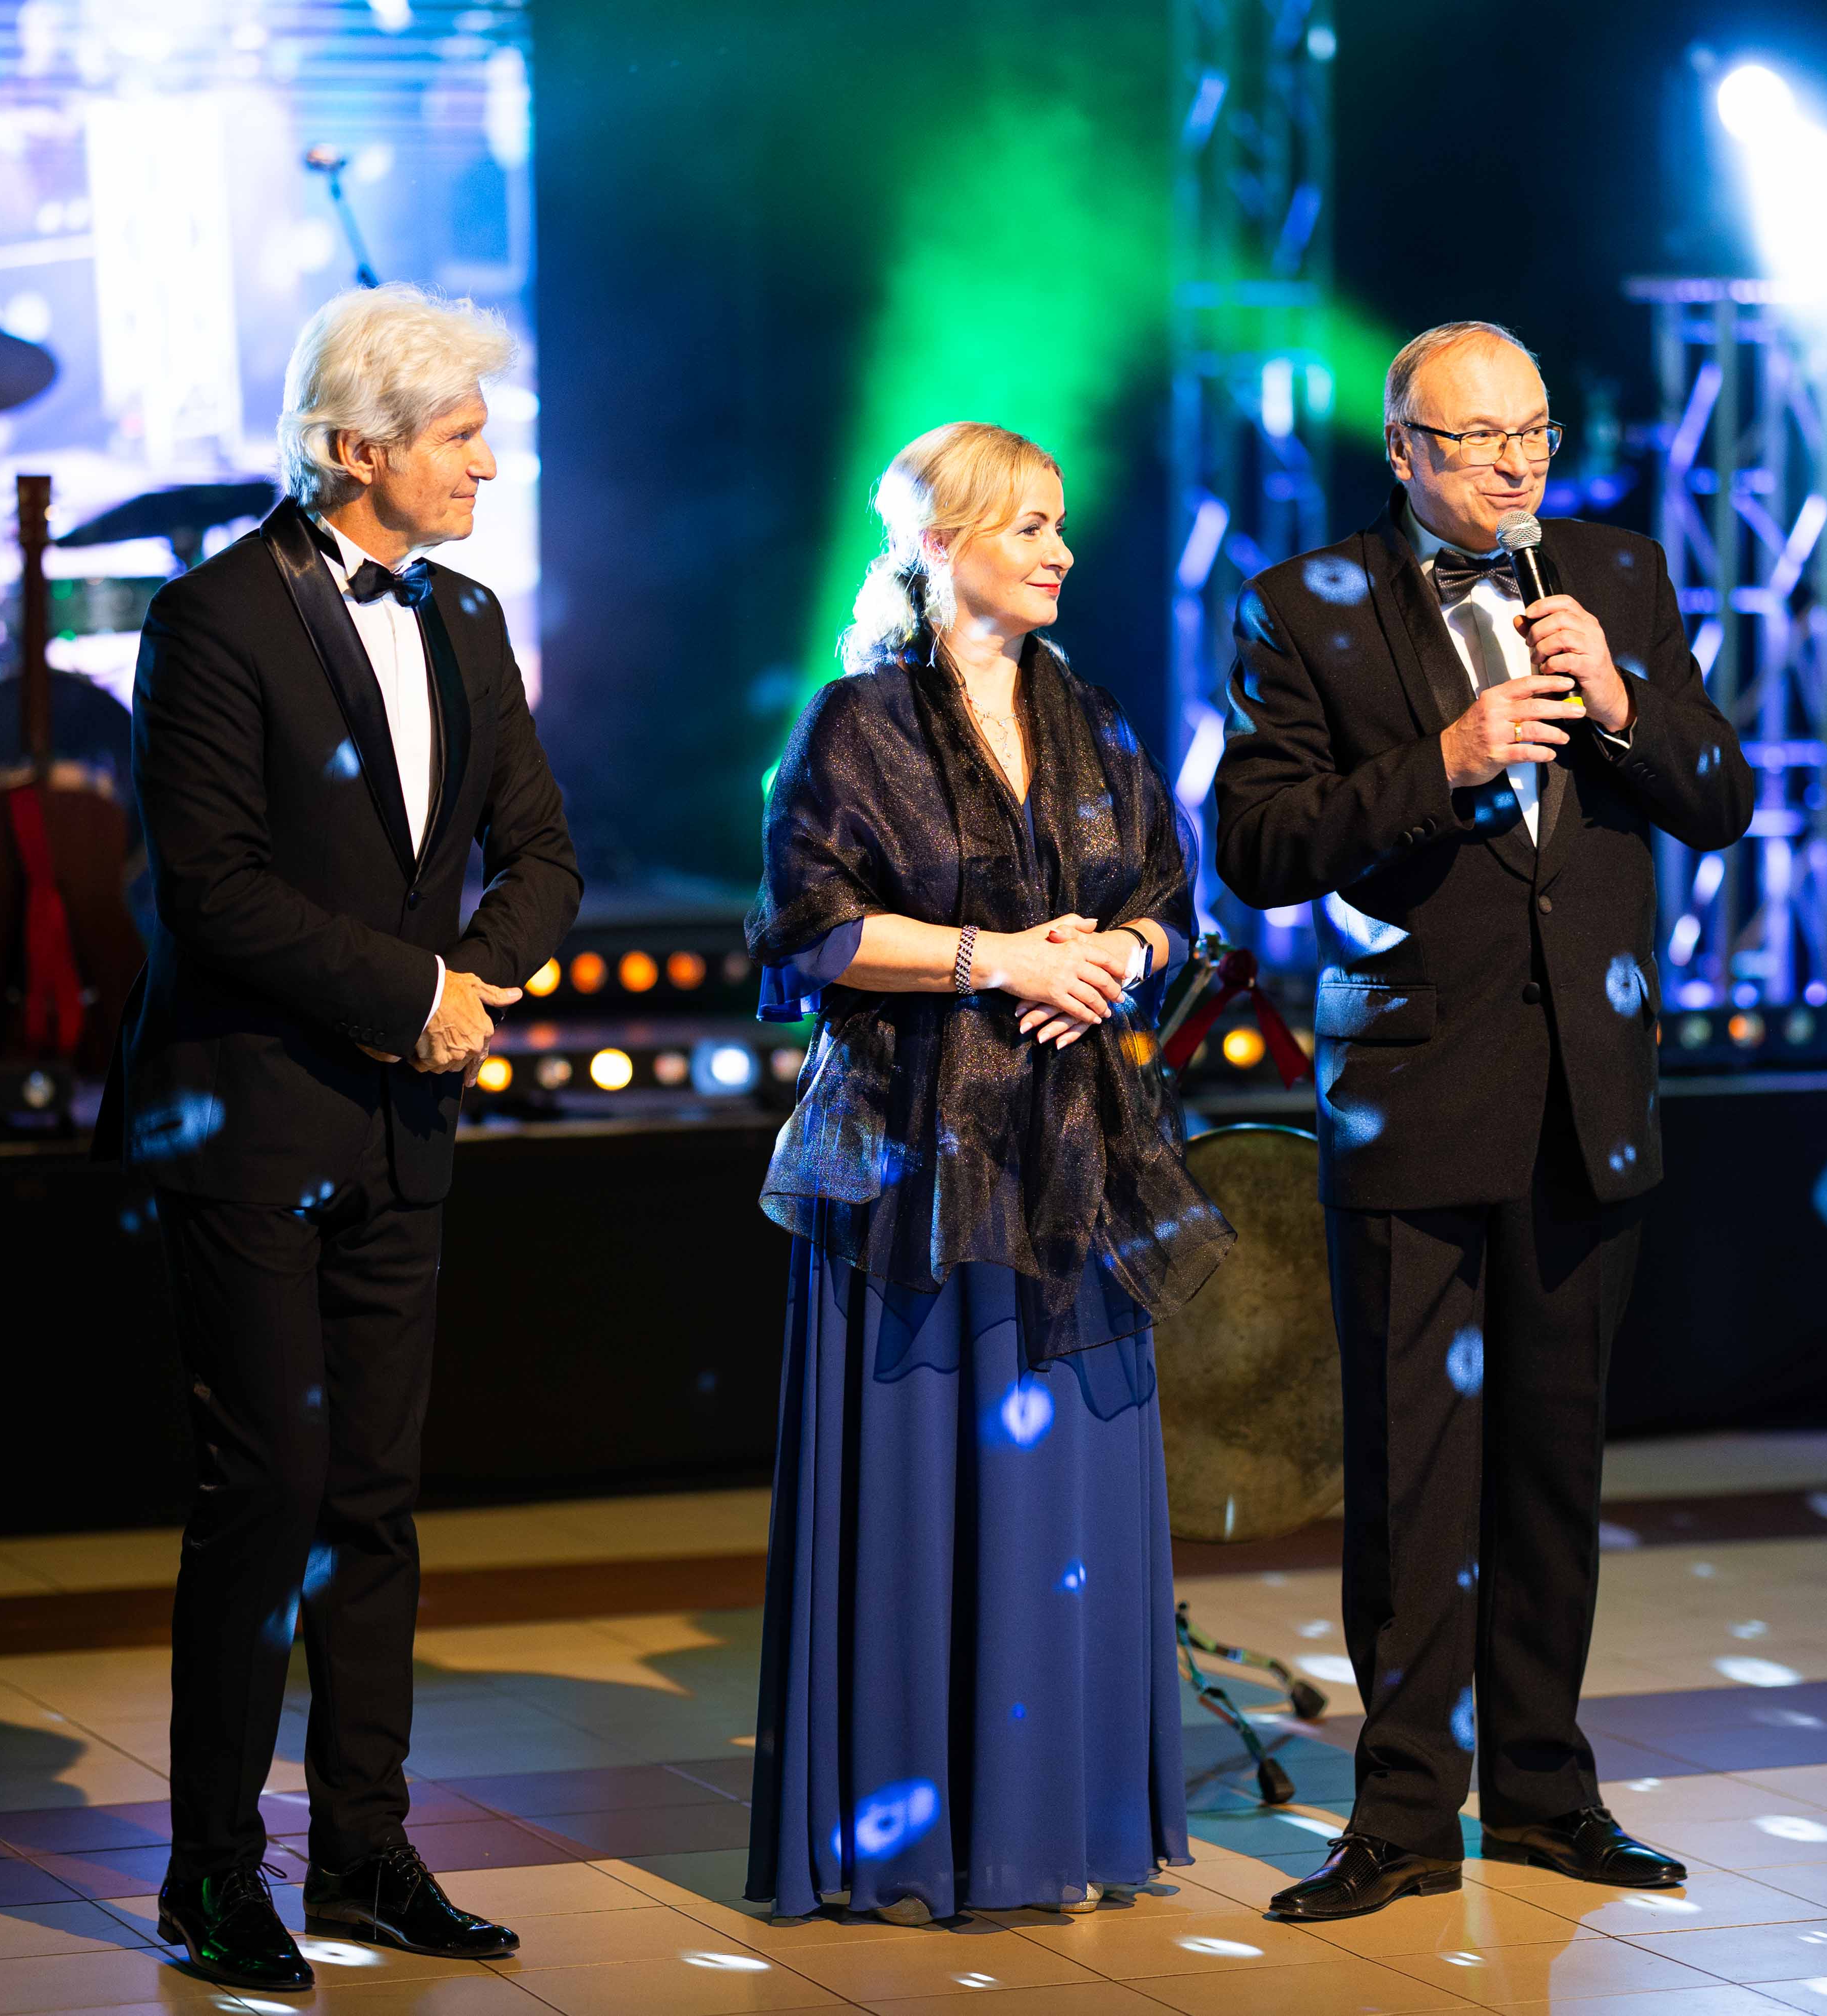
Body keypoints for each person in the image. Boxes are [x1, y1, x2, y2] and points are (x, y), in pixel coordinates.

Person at [1214, 322, 1752, 1917]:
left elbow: (1718, 799)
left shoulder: (1619, 574)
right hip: (1413, 1086)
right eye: (1475, 441)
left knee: (1550, 1462)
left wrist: (1625, 701)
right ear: (1402, 451)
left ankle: (1540, 1790)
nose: (1514, 467)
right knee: (1412, 1472)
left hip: (1588, 1087)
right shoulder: (1305, 603)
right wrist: (1442, 761)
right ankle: (1397, 1811)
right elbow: (1257, 844)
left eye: (1532, 433)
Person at [95, 284, 580, 1993]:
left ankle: (364, 1851)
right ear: (353, 447)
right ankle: (211, 1872)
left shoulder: (469, 614)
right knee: (268, 1492)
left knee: (374, 1500)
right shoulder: (212, 616)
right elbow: (210, 891)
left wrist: (469, 988)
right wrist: (413, 992)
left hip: (402, 1113)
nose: (488, 466)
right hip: (248, 1114)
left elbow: (542, 854)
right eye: (459, 437)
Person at [745, 422, 1233, 1925]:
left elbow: (1173, 902)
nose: (1059, 549)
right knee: (918, 1501)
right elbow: (813, 929)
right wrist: (996, 959)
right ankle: (913, 1834)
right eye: (1026, 524)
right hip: (912, 1165)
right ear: (939, 545)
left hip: (1077, 1163)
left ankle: (1059, 1817)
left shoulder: (1092, 716)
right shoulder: (856, 725)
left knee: (1064, 1506)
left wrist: (1116, 956)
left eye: (1058, 522)